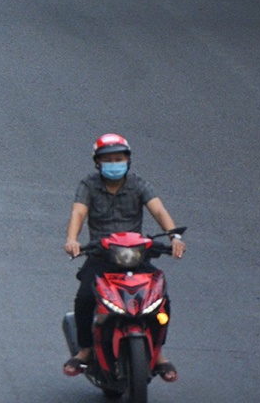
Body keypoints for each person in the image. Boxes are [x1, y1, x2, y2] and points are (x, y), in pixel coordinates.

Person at [64, 134, 184, 379]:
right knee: (85, 297)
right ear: (98, 163)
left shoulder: (138, 184)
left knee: (162, 299)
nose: (114, 163)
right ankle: (86, 349)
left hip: (135, 254)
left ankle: (158, 351)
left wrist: (175, 238)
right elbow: (78, 213)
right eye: (108, 159)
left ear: (128, 161)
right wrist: (72, 239)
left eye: (119, 158)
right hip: (101, 255)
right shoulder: (88, 185)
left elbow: (158, 209)